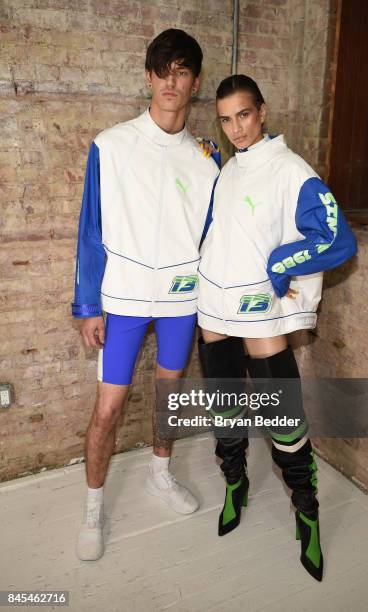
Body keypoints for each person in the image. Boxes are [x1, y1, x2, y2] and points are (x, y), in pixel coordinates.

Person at [197, 74, 357, 581]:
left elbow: (336, 237)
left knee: (284, 417)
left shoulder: (291, 170)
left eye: (243, 115)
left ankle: (306, 513)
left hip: (258, 311)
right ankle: (234, 483)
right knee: (225, 408)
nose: (235, 128)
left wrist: (283, 261)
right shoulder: (226, 171)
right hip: (212, 309)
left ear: (261, 111)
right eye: (225, 119)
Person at [71, 28, 220, 561]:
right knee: (108, 411)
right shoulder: (110, 145)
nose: (170, 82)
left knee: (168, 399)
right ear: (148, 77)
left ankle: (160, 473)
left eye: (181, 72)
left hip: (183, 299)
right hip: (126, 298)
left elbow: (214, 233)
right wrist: (88, 305)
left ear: (195, 83)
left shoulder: (208, 156)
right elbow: (90, 230)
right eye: (162, 71)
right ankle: (93, 509)